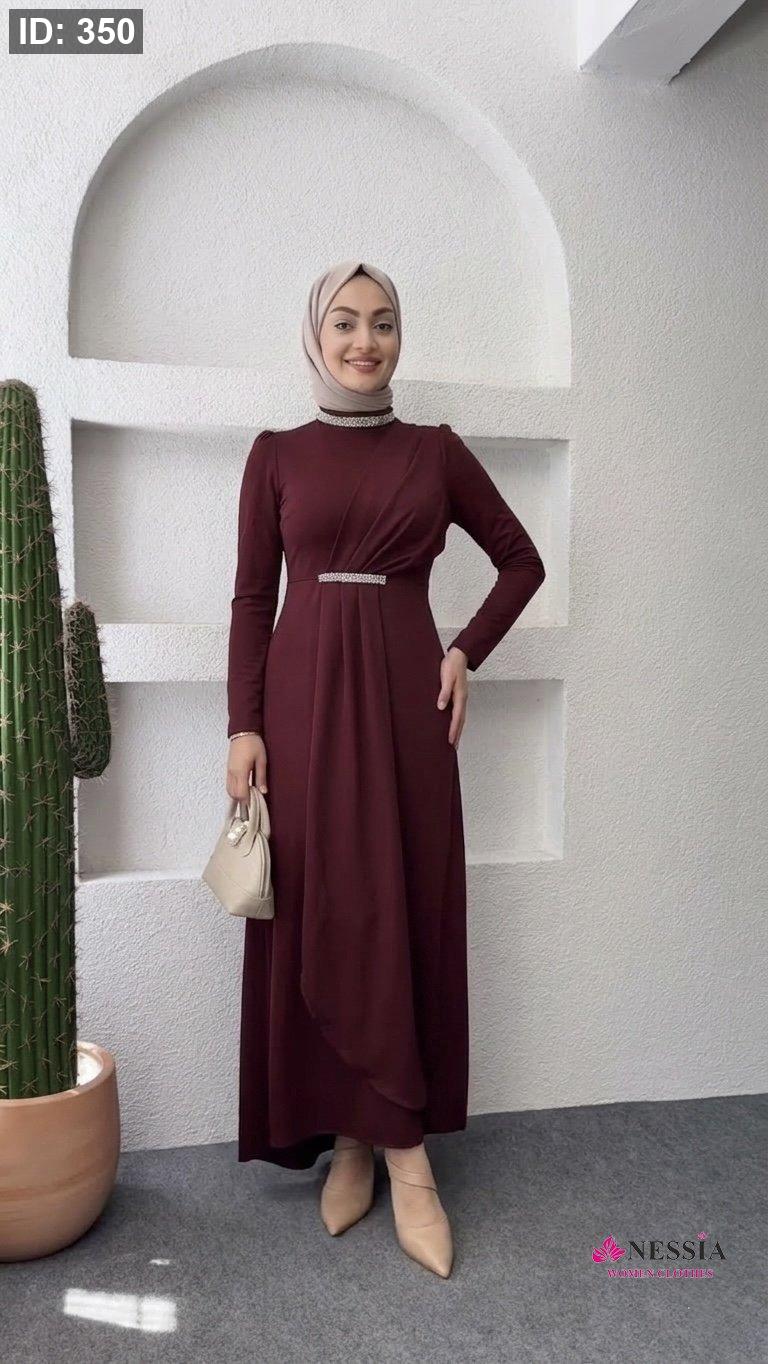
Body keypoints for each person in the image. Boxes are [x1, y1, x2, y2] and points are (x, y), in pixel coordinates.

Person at [226, 260, 546, 1278]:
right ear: (315, 335)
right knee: (324, 905)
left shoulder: (434, 451)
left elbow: (522, 559)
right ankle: (352, 1138)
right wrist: (243, 726)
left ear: (401, 337)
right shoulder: (276, 455)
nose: (365, 341)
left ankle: (405, 1152)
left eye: (384, 323)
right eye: (345, 322)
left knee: (396, 906)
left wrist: (465, 650)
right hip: (303, 710)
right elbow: (251, 598)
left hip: (409, 709)